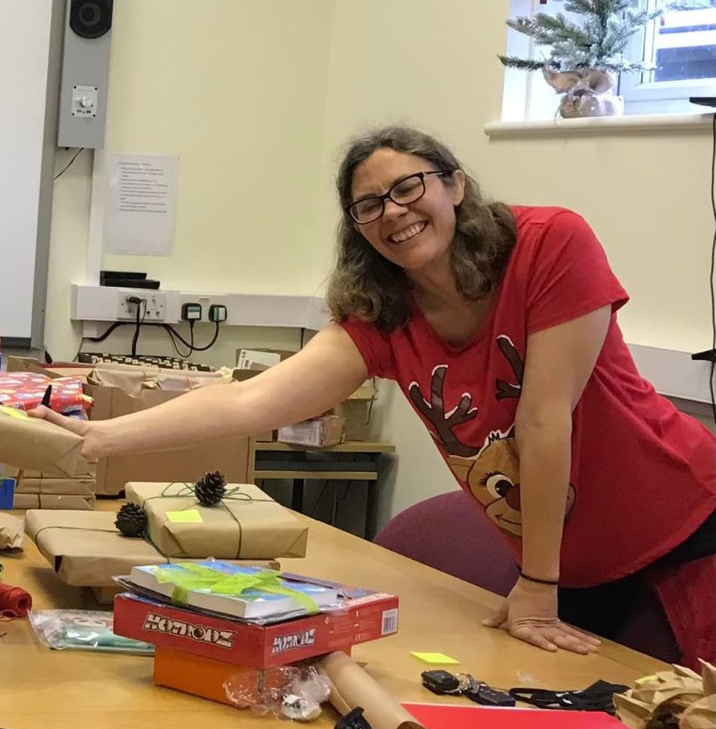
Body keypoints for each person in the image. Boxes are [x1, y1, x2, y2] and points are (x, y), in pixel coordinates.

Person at [35, 125, 716, 668]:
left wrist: (538, 584)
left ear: (455, 184)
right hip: (568, 567)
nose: (393, 212)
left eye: (408, 187)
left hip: (681, 530)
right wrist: (97, 438)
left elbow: (543, 423)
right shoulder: (384, 315)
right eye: (369, 205)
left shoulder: (548, 245)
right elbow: (255, 402)